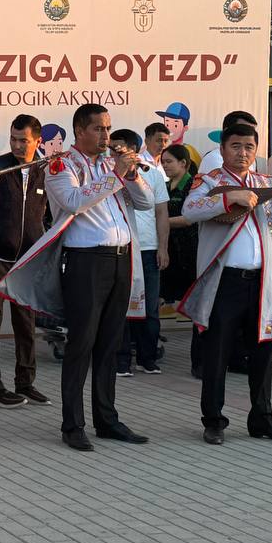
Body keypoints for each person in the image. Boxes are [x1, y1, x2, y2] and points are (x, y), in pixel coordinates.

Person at [0, 104, 153, 451]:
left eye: (108, 128)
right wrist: (115, 175)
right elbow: (73, 201)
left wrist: (131, 174)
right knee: (81, 343)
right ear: (80, 130)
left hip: (120, 259)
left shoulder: (111, 164)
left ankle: (107, 419)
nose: (106, 135)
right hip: (85, 262)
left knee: (111, 343)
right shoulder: (61, 165)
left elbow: (145, 202)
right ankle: (73, 424)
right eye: (98, 129)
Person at [179, 123, 272, 444]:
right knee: (217, 353)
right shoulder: (209, 180)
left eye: (249, 147)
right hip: (225, 282)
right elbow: (190, 210)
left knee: (263, 352)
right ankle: (213, 420)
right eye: (235, 146)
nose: (243, 153)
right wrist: (232, 197)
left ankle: (262, 419)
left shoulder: (266, 182)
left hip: (263, 281)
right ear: (222, 149)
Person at [0, 114, 51, 407]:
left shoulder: (47, 169)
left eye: (24, 140)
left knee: (26, 324)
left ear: (38, 141)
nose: (17, 145)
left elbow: (50, 212)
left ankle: (26, 382)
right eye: (13, 139)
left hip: (28, 260)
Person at [110, 129, 167, 377]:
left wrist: (162, 247)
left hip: (148, 248)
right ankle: (121, 360)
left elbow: (161, 212)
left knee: (150, 307)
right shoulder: (107, 174)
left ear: (133, 150)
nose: (113, 153)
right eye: (112, 149)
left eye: (119, 148)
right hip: (123, 248)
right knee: (120, 306)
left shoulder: (152, 173)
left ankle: (148, 358)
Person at [160, 144, 199, 305]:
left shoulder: (194, 186)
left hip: (189, 250)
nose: (164, 165)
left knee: (188, 298)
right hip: (168, 249)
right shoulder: (164, 186)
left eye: (169, 161)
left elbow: (191, 218)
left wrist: (160, 223)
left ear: (183, 163)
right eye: (162, 162)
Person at [154, 102, 200, 168]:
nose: (170, 129)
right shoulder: (161, 149)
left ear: (185, 128)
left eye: (175, 125)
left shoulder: (189, 151)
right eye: (167, 124)